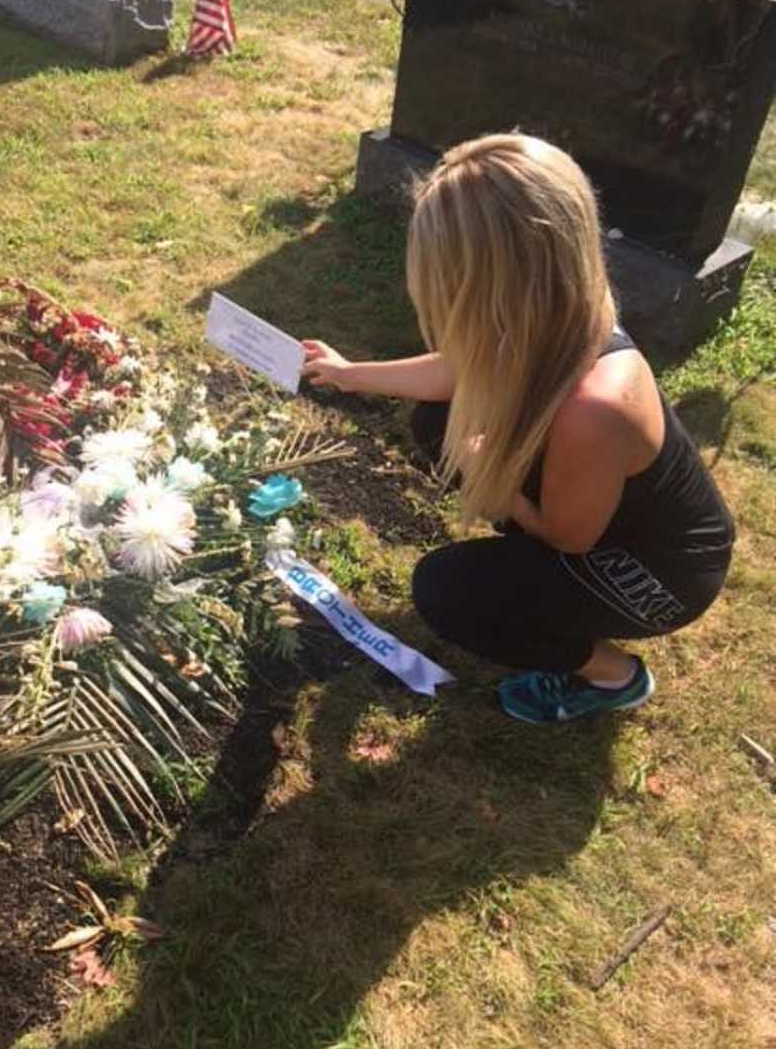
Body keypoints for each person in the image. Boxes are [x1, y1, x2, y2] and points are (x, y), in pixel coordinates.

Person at [301, 133, 733, 724]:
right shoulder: (553, 306)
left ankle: (612, 676)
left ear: (498, 278)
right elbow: (458, 371)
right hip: (599, 512)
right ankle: (528, 586)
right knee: (437, 422)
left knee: (448, 593)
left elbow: (569, 536)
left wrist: (491, 480)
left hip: (653, 574)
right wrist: (350, 375)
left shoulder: (597, 407)